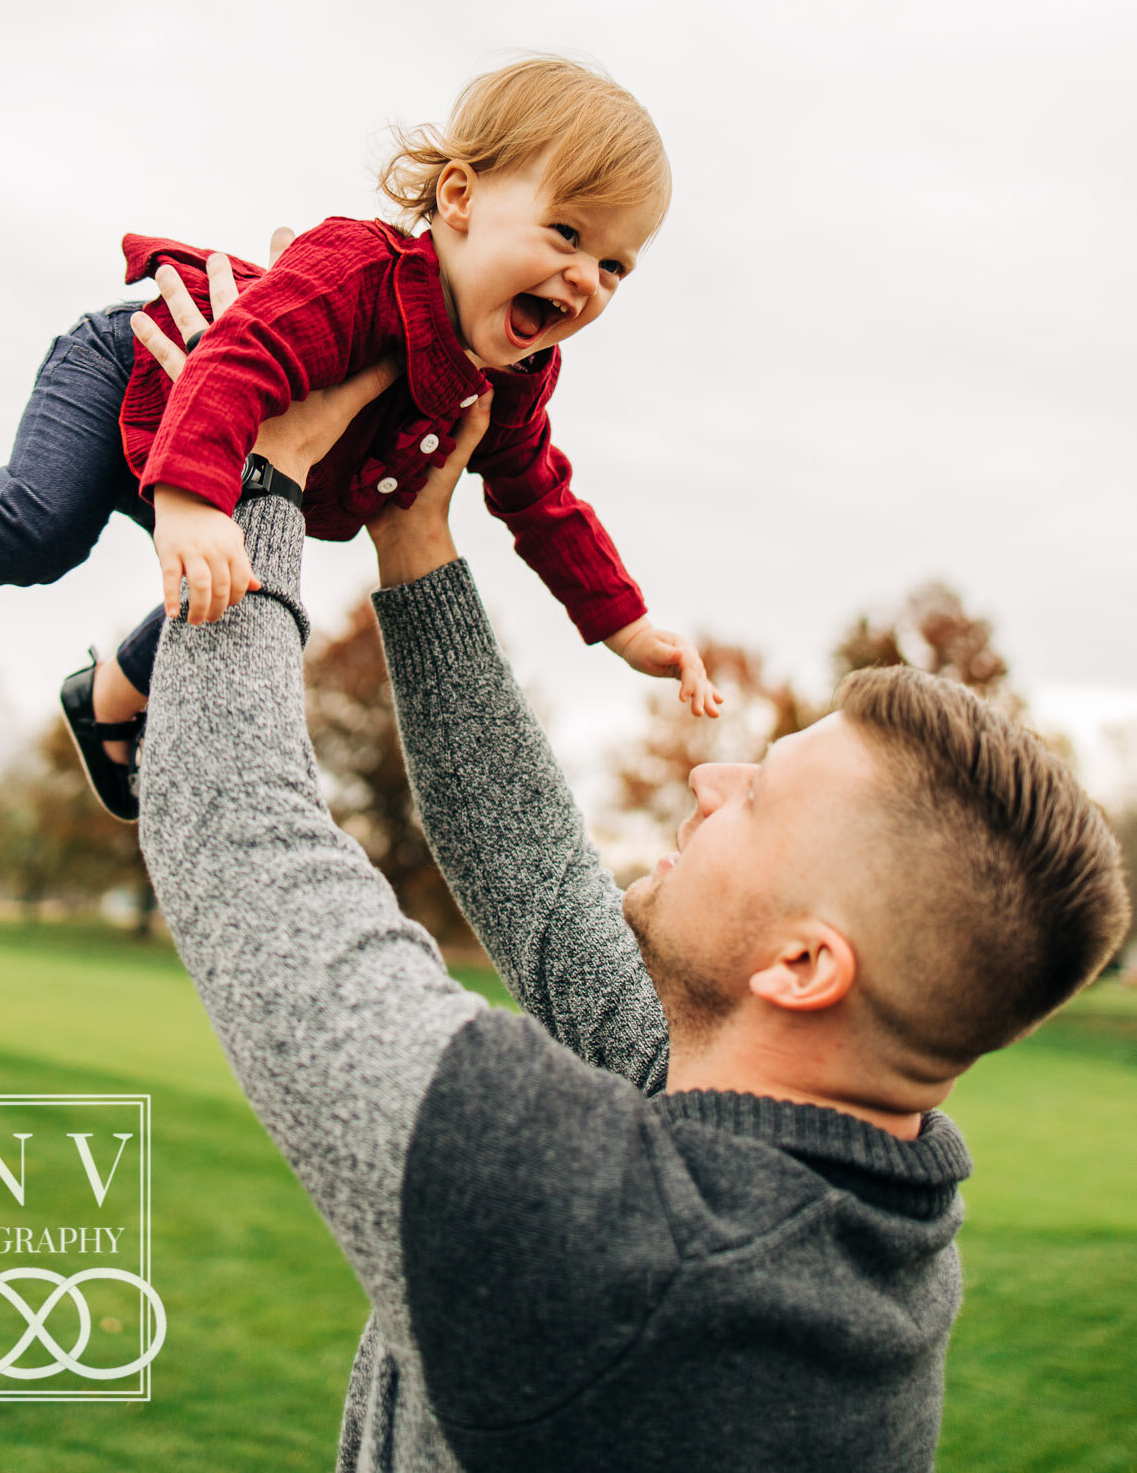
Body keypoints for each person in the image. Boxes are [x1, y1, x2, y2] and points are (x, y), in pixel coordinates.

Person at [132, 257, 1130, 1473]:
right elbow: (546, 882)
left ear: (806, 963)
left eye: (756, 798)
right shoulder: (828, 1178)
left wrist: (261, 474)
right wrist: (414, 533)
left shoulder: (623, 1248)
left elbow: (240, 839)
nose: (712, 777)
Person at [0, 57, 719, 822]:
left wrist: (621, 624)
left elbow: (537, 493)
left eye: (614, 264)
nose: (585, 277)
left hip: (228, 459)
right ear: (461, 199)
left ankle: (106, 696)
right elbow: (240, 358)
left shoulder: (515, 377)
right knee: (39, 528)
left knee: (251, 592)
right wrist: (189, 500)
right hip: (135, 376)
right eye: (565, 232)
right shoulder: (356, 270)